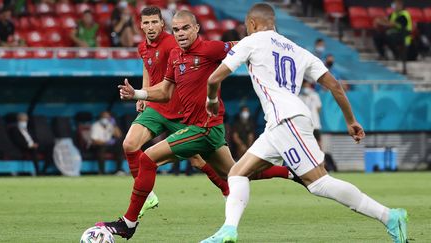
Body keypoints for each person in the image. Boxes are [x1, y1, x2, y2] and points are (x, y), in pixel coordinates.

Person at [201, 3, 408, 243]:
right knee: (237, 173)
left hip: (286, 120)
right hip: (280, 122)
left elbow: (214, 78)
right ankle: (229, 229)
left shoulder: (252, 41)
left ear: (252, 24)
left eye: (248, 27)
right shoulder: (299, 50)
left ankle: (390, 216)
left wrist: (212, 101)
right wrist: (350, 120)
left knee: (319, 183)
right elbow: (334, 86)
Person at [96, 10, 293, 240]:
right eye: (177, 29)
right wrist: (138, 93)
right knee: (237, 172)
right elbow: (164, 91)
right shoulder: (175, 56)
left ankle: (128, 223)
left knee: (147, 159)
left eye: (186, 28)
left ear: (197, 28)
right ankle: (292, 172)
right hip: (202, 127)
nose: (180, 33)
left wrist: (270, 39)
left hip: (204, 127)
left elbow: (246, 45)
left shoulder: (211, 49)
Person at [121, 6, 231, 217]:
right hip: (155, 106)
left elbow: (197, 61)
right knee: (129, 144)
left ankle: (227, 189)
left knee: (198, 160)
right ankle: (147, 195)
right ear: (140, 25)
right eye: (146, 22)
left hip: (179, 110)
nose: (150, 26)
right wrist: (142, 93)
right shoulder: (142, 47)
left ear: (163, 24)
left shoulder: (174, 42)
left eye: (155, 22)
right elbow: (147, 66)